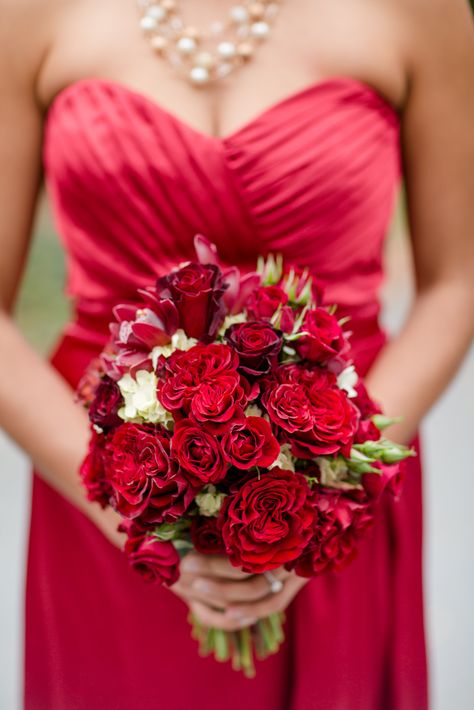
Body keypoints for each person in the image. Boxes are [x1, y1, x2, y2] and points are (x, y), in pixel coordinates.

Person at [0, 0, 473, 708]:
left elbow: (457, 283)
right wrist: (142, 523)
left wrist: (330, 489)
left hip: (342, 486)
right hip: (99, 479)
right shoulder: (28, 13)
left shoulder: (418, 12)